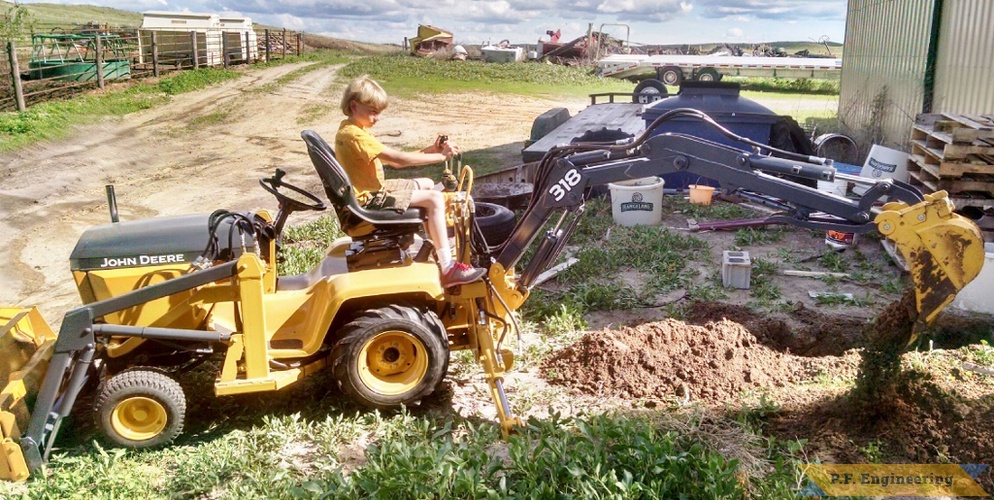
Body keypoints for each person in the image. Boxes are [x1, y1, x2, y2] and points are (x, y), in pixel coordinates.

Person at [335, 75, 486, 287]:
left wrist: (431, 150)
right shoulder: (354, 136)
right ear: (354, 105)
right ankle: (448, 267)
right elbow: (399, 160)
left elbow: (396, 160)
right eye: (373, 112)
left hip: (368, 191)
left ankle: (431, 240)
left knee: (425, 183)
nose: (377, 118)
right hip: (368, 199)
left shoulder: (351, 129)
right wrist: (441, 157)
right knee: (434, 199)